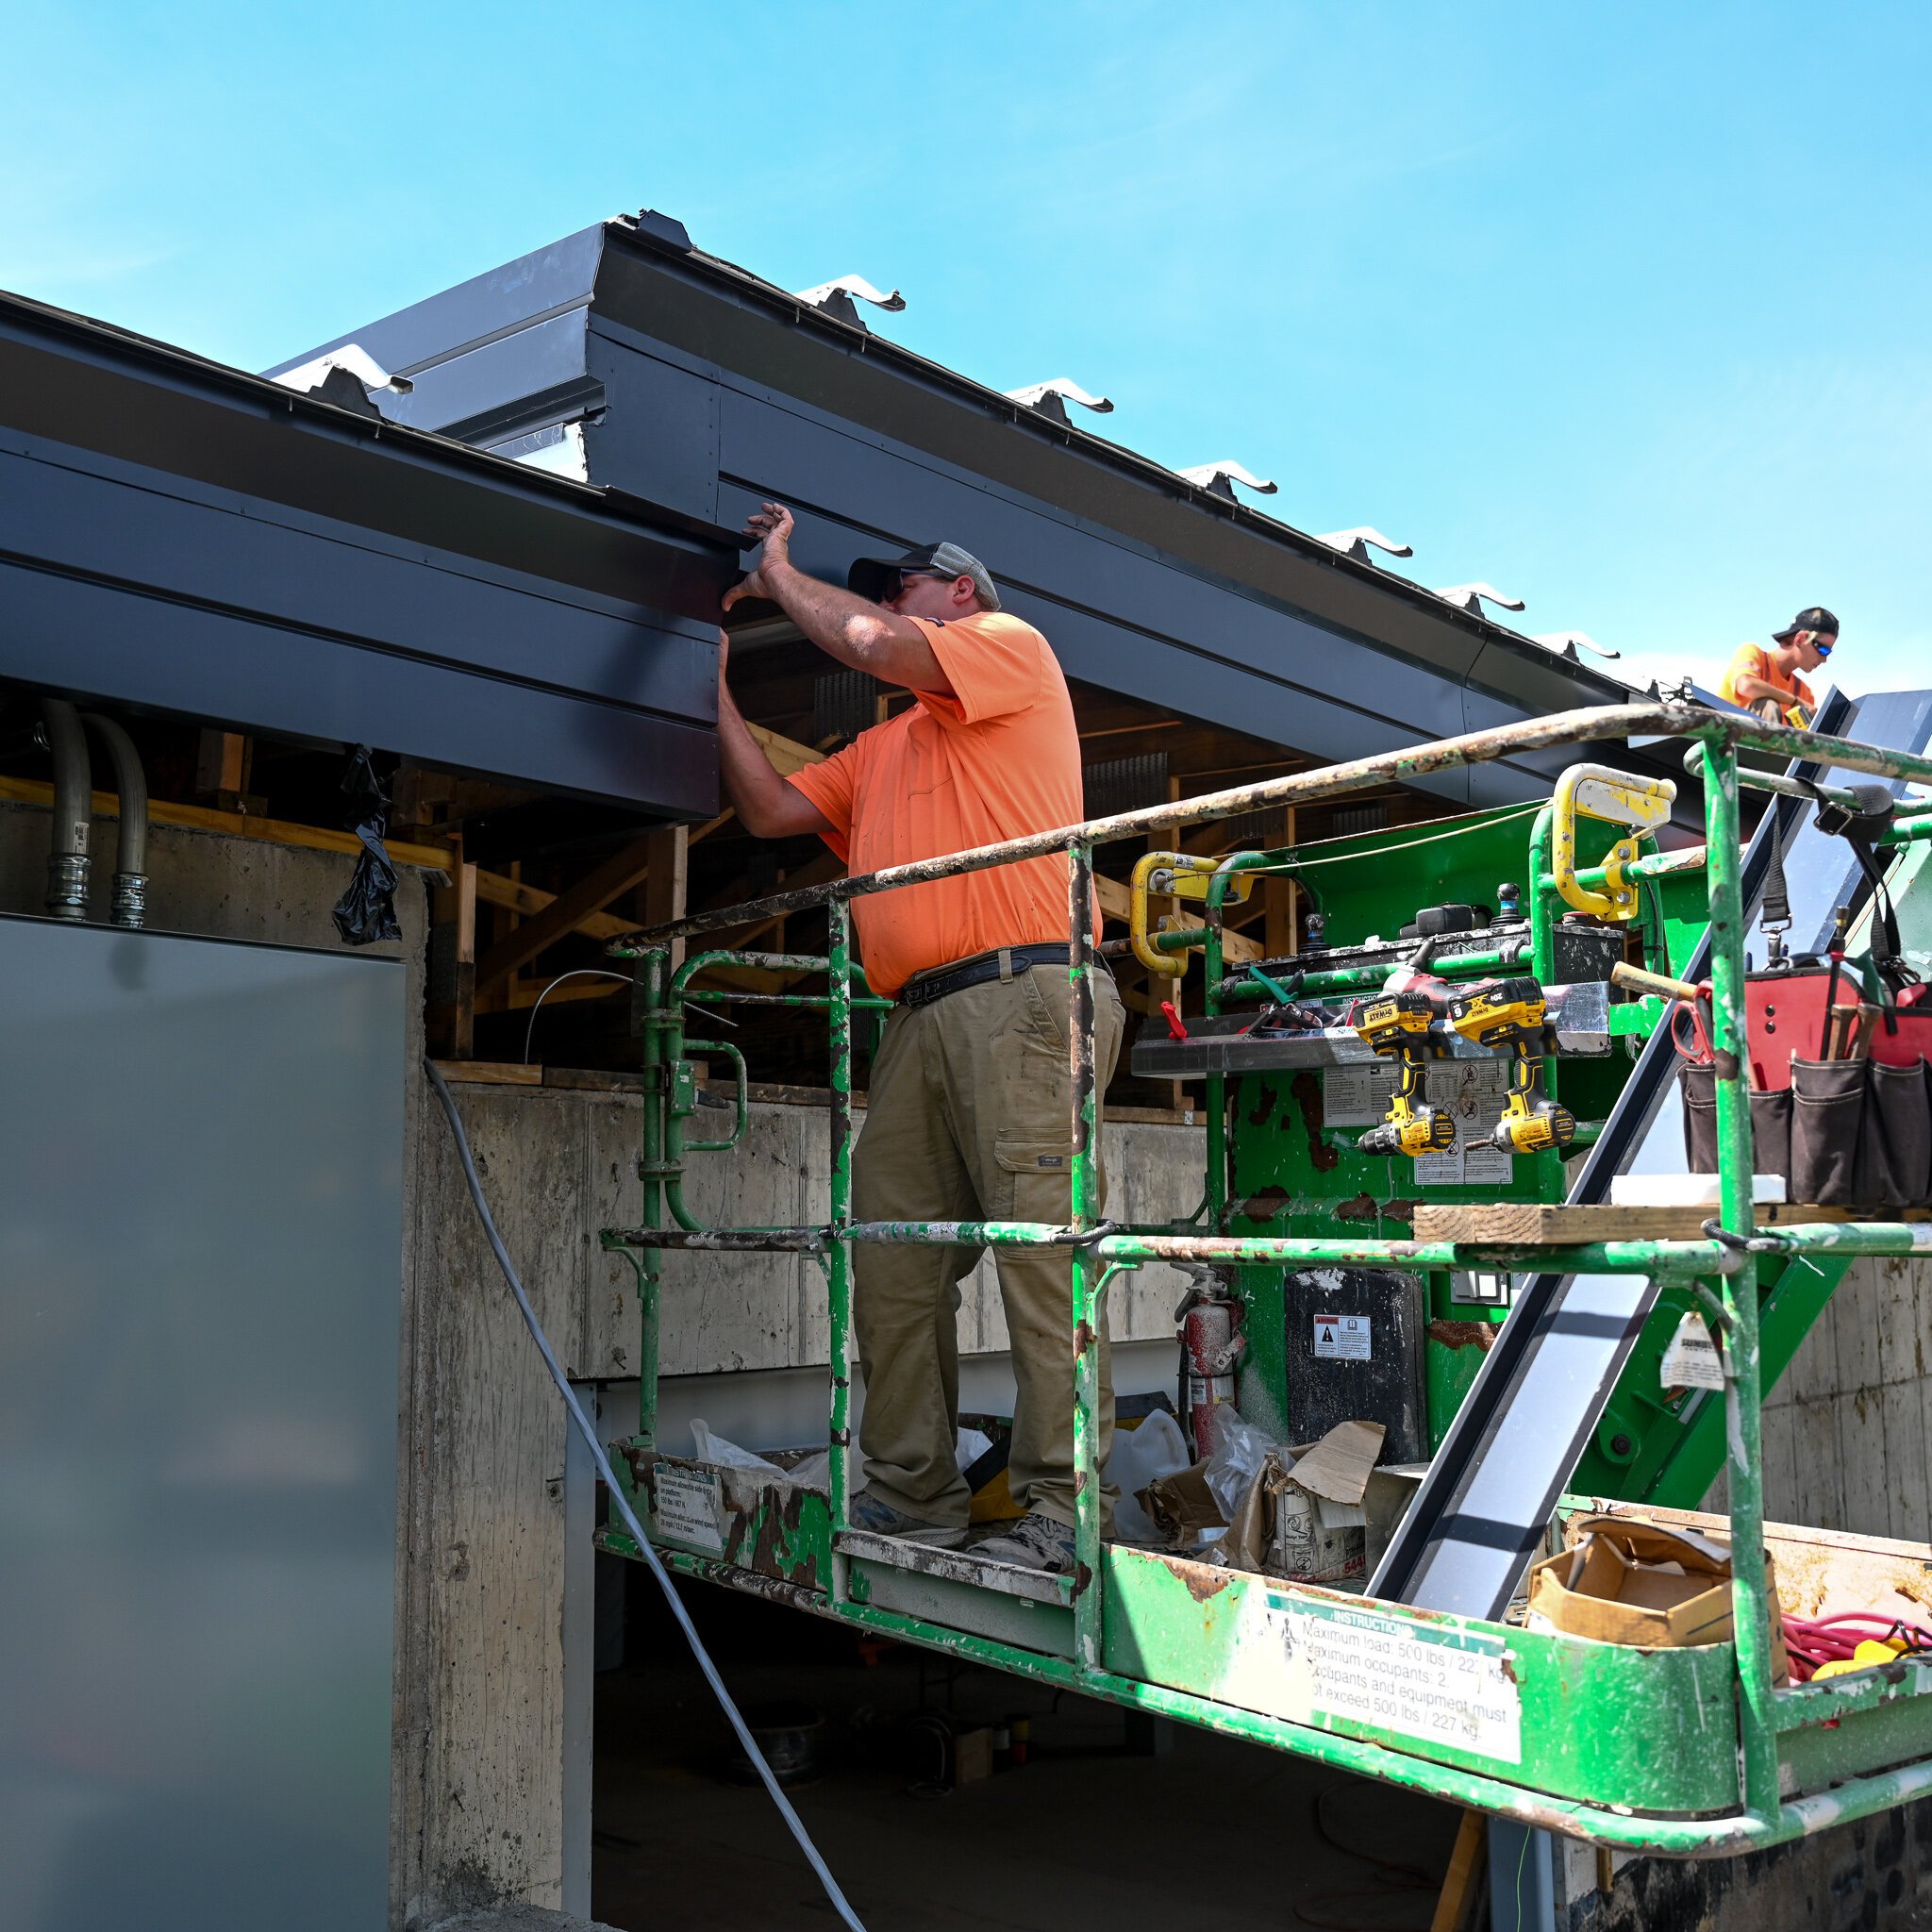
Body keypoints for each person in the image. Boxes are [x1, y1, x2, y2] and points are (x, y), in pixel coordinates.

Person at [715, 504, 1126, 1573]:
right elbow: (765, 811)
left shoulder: (1008, 648)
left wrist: (778, 573)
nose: (884, 599)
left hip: (1026, 997)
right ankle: (914, 1493)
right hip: (923, 1016)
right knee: (890, 1260)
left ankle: (1060, 1511)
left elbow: (866, 640)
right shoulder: (880, 747)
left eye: (899, 583)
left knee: (1043, 1260)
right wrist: (708, 668)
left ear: (960, 592)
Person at [1717, 607, 1839, 726]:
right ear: (1800, 639)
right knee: (1767, 706)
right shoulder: (1752, 653)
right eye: (1823, 650)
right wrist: (1794, 701)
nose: (1824, 659)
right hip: (1724, 740)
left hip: (1773, 745)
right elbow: (1747, 686)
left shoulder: (1805, 693)